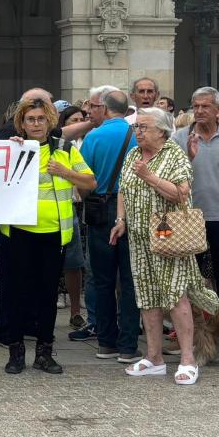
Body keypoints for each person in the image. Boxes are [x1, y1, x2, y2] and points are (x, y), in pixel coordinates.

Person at [116, 108, 219, 384]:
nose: (138, 132)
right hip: (140, 239)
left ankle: (188, 359)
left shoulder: (174, 155)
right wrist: (121, 220)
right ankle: (153, 357)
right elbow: (123, 190)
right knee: (147, 296)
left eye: (143, 127)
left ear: (162, 131)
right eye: (136, 127)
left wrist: (149, 176)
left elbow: (181, 193)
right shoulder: (133, 155)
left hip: (169, 237)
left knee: (175, 296)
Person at [0, 98, 94, 375]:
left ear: (49, 120)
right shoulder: (13, 149)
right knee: (16, 294)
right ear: (21, 123)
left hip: (53, 234)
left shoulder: (64, 150)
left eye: (40, 119)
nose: (36, 124)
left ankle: (44, 352)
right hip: (18, 232)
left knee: (47, 295)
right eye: (30, 119)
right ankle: (16, 352)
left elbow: (90, 182)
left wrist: (66, 172)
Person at [79, 88, 140, 360]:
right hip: (132, 207)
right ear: (126, 109)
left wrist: (89, 197)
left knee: (102, 278)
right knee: (129, 279)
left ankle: (106, 341)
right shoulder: (137, 135)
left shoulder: (93, 136)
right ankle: (128, 345)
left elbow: (84, 180)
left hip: (100, 207)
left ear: (104, 109)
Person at [172, 88, 219, 302]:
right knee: (190, 276)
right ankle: (194, 327)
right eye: (195, 106)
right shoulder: (179, 136)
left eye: (205, 106)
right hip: (189, 217)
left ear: (218, 110)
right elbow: (170, 177)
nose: (199, 110)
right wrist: (189, 155)